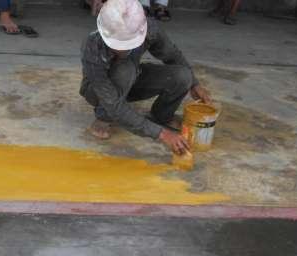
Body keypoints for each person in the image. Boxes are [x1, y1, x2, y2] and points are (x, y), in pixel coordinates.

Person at [80, 0, 212, 156]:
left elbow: (173, 55)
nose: (123, 50)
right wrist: (161, 134)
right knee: (125, 69)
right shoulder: (93, 45)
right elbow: (113, 103)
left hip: (132, 79)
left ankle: (161, 116)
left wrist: (194, 84)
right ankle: (103, 118)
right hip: (100, 93)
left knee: (183, 76)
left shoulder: (148, 28)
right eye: (119, 45)